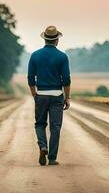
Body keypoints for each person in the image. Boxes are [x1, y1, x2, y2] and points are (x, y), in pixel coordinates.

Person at [27, 26, 71, 166]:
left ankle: (43, 146)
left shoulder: (35, 55)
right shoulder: (62, 57)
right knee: (55, 127)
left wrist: (35, 95)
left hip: (41, 95)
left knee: (40, 124)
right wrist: (67, 97)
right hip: (57, 95)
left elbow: (30, 78)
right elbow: (66, 79)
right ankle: (52, 158)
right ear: (56, 40)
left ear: (45, 39)